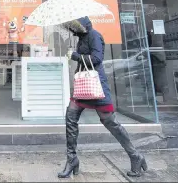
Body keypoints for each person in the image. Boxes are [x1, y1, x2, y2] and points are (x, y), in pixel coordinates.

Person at [58, 17, 147, 178]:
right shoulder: (82, 38)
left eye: (73, 26)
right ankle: (72, 160)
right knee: (70, 117)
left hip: (96, 86)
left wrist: (76, 56)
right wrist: (74, 53)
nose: (71, 28)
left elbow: (97, 59)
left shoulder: (95, 35)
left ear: (82, 26)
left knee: (110, 122)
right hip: (83, 86)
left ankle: (135, 156)